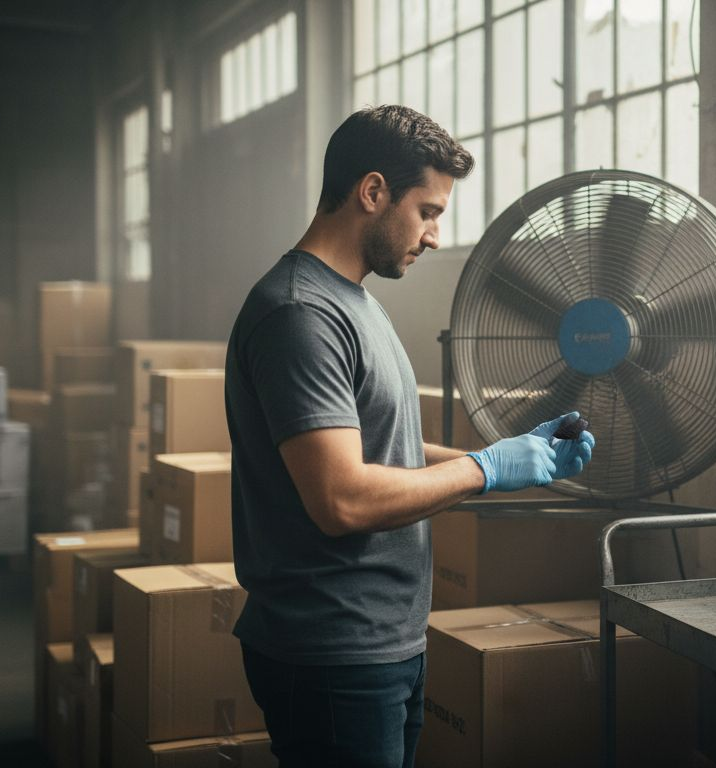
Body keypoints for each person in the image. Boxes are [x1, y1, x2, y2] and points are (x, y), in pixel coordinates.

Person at [223, 105, 595, 768]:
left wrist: (523, 459)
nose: (433, 235)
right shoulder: (299, 315)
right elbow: (341, 499)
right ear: (372, 192)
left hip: (383, 640)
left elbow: (377, 450)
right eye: (428, 211)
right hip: (332, 651)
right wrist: (485, 468)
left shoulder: (353, 302)